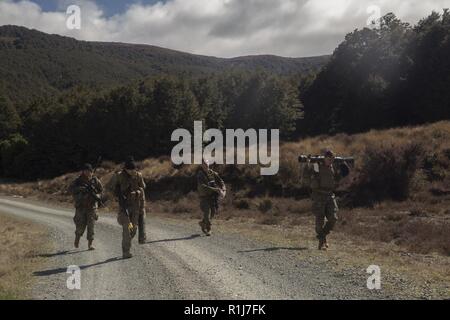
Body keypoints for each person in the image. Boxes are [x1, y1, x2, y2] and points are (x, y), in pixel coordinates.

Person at [308, 150, 350, 250]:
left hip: (330, 195)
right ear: (325, 158)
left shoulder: (333, 167)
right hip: (319, 195)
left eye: (333, 159)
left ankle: (321, 237)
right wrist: (310, 162)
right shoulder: (318, 166)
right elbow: (310, 172)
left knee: (333, 218)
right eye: (329, 159)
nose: (331, 161)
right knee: (319, 221)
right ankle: (322, 241)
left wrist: (344, 164)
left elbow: (342, 175)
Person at [108, 156, 146, 259]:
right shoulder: (118, 176)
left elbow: (143, 187)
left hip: (135, 207)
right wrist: (117, 194)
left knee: (132, 229)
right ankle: (126, 251)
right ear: (126, 169)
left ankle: (126, 242)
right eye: (130, 170)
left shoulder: (138, 176)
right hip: (124, 207)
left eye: (134, 169)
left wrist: (138, 193)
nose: (132, 171)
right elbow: (109, 188)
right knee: (127, 227)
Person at [68, 163, 103, 250]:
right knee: (80, 225)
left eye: (89, 171)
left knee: (91, 227)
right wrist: (81, 189)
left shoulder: (95, 180)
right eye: (86, 171)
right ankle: (77, 238)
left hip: (92, 207)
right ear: (83, 171)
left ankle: (90, 244)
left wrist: (98, 196)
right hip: (81, 206)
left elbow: (101, 190)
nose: (88, 173)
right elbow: (70, 189)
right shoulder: (78, 180)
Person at [197, 159, 225, 236]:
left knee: (213, 212)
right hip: (204, 197)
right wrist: (215, 189)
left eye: (206, 163)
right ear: (201, 165)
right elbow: (203, 186)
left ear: (209, 164)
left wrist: (223, 189)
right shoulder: (200, 175)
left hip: (212, 197)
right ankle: (208, 229)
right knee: (207, 212)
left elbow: (221, 181)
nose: (205, 165)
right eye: (204, 164)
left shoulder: (213, 173)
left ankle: (203, 223)